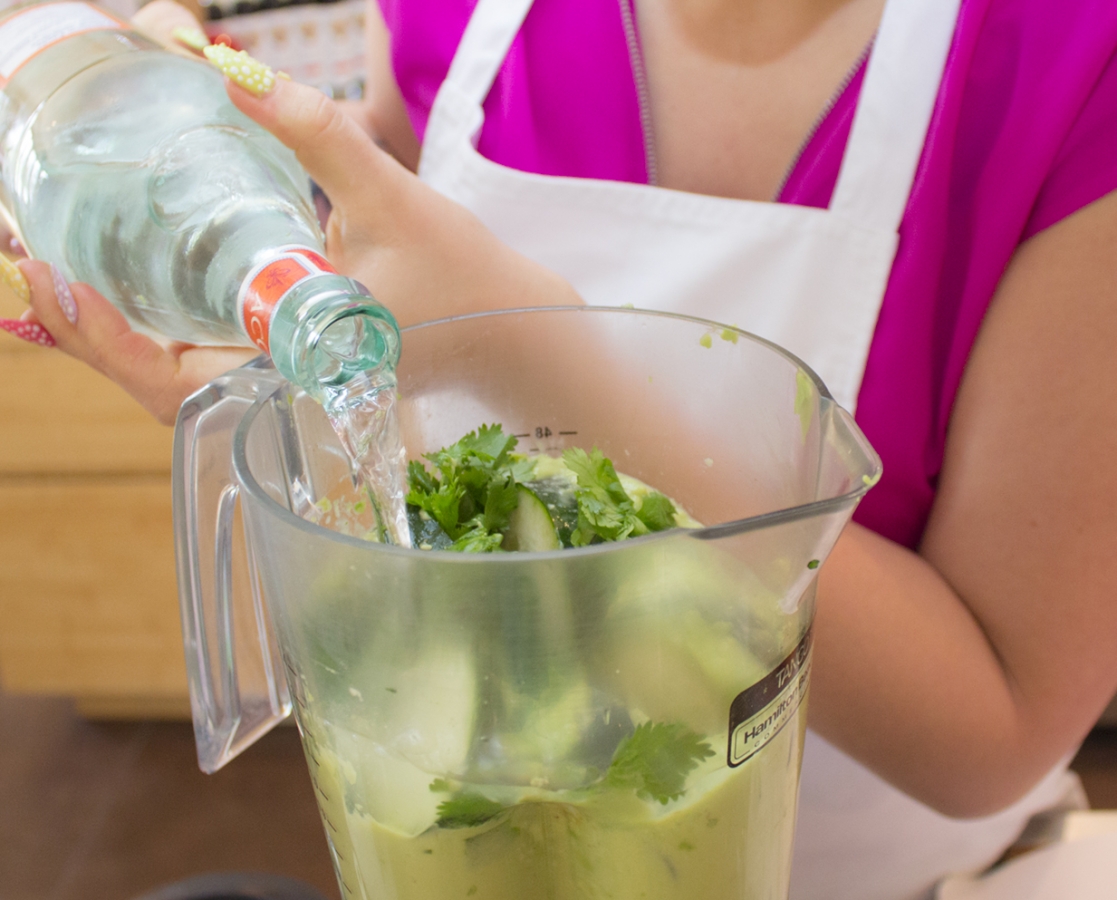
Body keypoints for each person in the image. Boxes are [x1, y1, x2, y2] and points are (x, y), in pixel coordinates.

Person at [5, 0, 1117, 898]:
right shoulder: (445, 20)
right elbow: (370, 383)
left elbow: (999, 730)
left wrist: (527, 345)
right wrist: (253, 341)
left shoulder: (1068, 70)